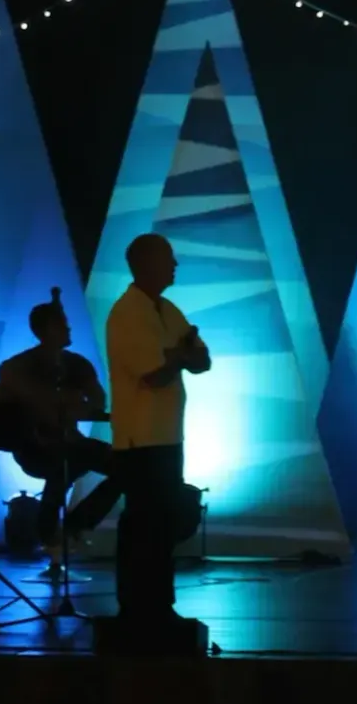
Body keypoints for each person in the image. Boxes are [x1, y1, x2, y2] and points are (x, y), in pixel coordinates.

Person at [104, 233, 210, 623]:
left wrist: (178, 355)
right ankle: (135, 608)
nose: (175, 265)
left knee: (160, 524)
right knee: (143, 526)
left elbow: (201, 360)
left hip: (166, 435)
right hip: (140, 437)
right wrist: (180, 354)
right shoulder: (128, 313)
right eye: (168, 258)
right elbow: (154, 375)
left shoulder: (166, 309)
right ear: (146, 264)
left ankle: (160, 606)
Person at [0, 300, 119, 566]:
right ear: (47, 328)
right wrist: (53, 401)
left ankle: (73, 526)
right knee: (63, 463)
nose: (69, 328)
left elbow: (97, 401)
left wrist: (74, 405)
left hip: (71, 443)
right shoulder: (20, 365)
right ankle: (53, 536)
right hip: (32, 446)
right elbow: (4, 383)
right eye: (63, 323)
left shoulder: (78, 365)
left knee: (126, 466)